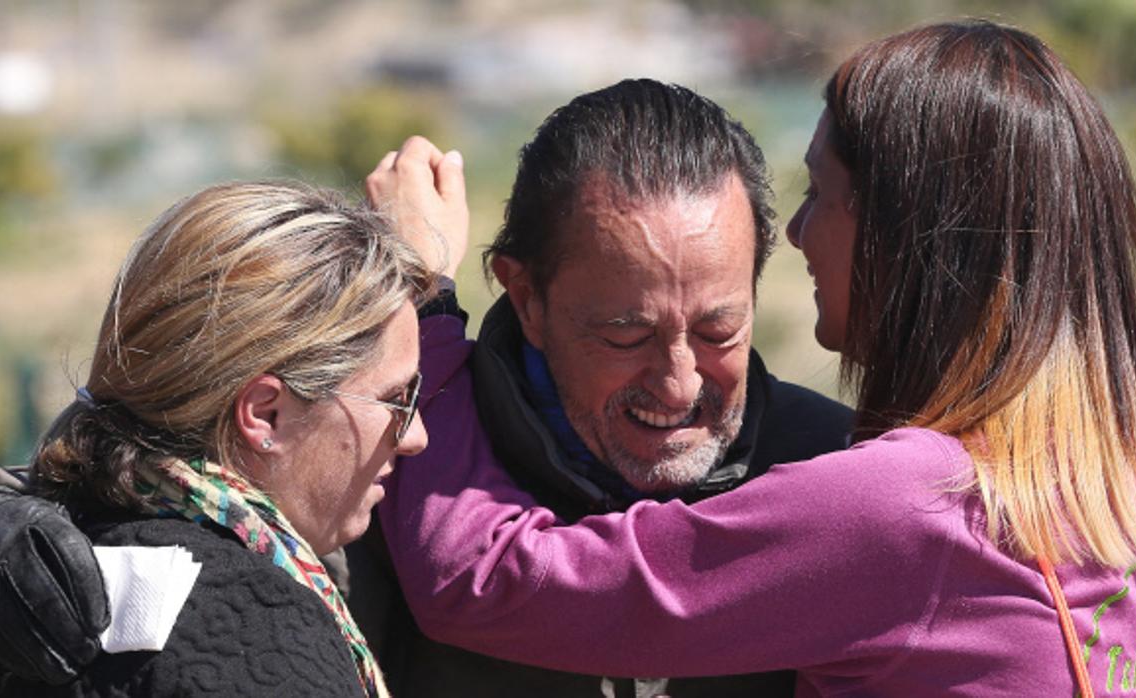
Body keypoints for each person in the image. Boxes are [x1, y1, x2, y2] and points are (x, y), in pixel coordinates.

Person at [374, 21, 1136, 696]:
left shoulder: (904, 507)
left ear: (910, 244)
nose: (801, 233)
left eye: (821, 193)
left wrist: (427, 301)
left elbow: (483, 580)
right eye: (627, 334)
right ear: (524, 295)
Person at [353, 79, 854, 697]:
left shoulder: (837, 469)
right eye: (626, 336)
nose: (678, 387)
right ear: (527, 298)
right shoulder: (374, 484)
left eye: (717, 331)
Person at [0, 181, 433, 697]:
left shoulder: (57, 540)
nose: (415, 435)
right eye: (396, 400)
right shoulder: (263, 639)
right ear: (266, 415)